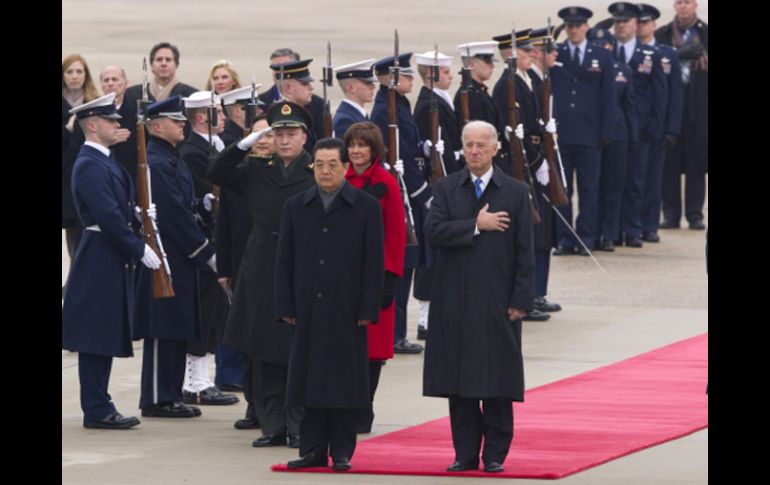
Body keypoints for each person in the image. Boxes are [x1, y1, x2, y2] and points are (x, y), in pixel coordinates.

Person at [423, 120, 534, 473]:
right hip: (454, 300)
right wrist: (475, 225)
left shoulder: (514, 192)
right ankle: (465, 453)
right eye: (468, 145)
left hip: (497, 302)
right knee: (461, 385)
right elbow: (434, 231)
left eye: (481, 145)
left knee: (497, 381)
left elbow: (524, 252)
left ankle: (496, 454)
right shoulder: (446, 188)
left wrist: (520, 299)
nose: (474, 151)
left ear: (495, 148)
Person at [207, 101, 316, 448]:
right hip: (262, 260)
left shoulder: (316, 169)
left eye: (291, 134)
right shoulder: (256, 167)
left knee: (296, 348)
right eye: (278, 133)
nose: (284, 141)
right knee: (264, 349)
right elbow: (217, 171)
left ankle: (299, 423)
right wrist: (246, 141)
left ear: (304, 137)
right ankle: (273, 425)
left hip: (302, 258)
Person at [276, 137, 384, 471]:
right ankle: (312, 449)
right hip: (308, 309)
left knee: (344, 384)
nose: (325, 171)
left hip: (348, 311)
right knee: (310, 383)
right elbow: (285, 261)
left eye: (332, 164)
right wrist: (286, 306)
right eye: (319, 165)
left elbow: (373, 262)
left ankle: (342, 452)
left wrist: (368, 309)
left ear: (345, 167)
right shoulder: (297, 206)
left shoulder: (364, 207)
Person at [62, 93, 153, 430]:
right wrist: (138, 248)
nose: (117, 125)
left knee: (101, 333)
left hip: (108, 252)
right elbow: (108, 216)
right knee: (95, 335)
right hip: (100, 252)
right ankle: (97, 408)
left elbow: (122, 206)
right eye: (111, 121)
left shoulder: (104, 159)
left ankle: (99, 404)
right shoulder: (88, 163)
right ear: (92, 125)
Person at [133, 96, 216, 419]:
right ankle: (156, 397)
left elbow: (184, 204)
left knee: (176, 326)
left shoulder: (171, 158)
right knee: (162, 327)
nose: (182, 124)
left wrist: (202, 204)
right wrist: (204, 252)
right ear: (156, 126)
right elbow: (170, 215)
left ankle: (169, 393)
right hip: (166, 254)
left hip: (179, 257)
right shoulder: (155, 161)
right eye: (175, 120)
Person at [491, 29, 560, 322]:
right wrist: (535, 159)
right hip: (524, 163)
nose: (532, 54)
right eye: (525, 51)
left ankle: (536, 292)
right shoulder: (507, 85)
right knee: (529, 231)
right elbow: (512, 132)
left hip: (535, 159)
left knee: (542, 231)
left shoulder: (527, 80)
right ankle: (527, 296)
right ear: (511, 55)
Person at [342, 122, 406, 433]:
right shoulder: (340, 178)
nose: (356, 151)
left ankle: (364, 407)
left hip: (376, 278)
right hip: (343, 278)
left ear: (374, 149)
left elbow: (395, 234)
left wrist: (390, 279)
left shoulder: (386, 183)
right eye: (352, 145)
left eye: (362, 145)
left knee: (371, 350)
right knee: (345, 349)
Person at [178, 91, 239, 406]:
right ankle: (195, 382)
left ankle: (204, 378)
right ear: (203, 116)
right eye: (218, 111)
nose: (225, 115)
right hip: (203, 243)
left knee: (216, 313)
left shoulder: (215, 146)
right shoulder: (193, 153)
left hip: (218, 240)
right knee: (203, 314)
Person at [217, 115, 274, 429]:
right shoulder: (239, 175)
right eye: (257, 136)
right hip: (242, 265)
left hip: (274, 266)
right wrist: (224, 268)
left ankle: (272, 405)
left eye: (268, 135)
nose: (263, 141)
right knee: (248, 341)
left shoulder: (282, 175)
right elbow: (223, 225)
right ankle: (254, 405)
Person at [371, 52, 428, 354]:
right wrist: (418, 191)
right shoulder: (384, 110)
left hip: (413, 188)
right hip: (405, 191)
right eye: (405, 75)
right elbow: (395, 153)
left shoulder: (399, 104)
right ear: (389, 79)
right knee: (402, 264)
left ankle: (398, 333)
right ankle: (394, 334)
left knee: (409, 264)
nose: (411, 79)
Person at [550, 6, 615, 255]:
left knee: (590, 189)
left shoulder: (601, 55)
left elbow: (608, 97)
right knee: (563, 189)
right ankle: (565, 238)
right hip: (562, 134)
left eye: (578, 25)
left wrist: (606, 131)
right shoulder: (557, 53)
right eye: (569, 26)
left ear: (587, 27)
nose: (574, 30)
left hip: (590, 134)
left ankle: (586, 236)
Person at [413, 49, 464, 338]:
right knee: (431, 252)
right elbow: (427, 150)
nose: (451, 75)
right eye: (445, 72)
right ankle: (425, 316)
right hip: (436, 185)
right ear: (432, 74)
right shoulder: (427, 104)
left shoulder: (439, 100)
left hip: (448, 179)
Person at [609, 2, 666, 249]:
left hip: (642, 130)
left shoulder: (649, 55)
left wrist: (658, 125)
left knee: (637, 181)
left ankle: (634, 229)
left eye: (627, 21)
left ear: (636, 24)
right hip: (613, 130)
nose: (622, 25)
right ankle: (613, 229)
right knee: (613, 181)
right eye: (618, 21)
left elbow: (660, 94)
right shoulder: (605, 54)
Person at [655, 0, 707, 230]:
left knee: (696, 163)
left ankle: (695, 214)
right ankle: (671, 213)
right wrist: (678, 54)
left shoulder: (705, 34)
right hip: (671, 106)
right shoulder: (663, 34)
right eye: (679, 3)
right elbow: (656, 61)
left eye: (688, 2)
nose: (683, 7)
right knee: (670, 164)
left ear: (695, 5)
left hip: (699, 107)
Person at [589, 27, 639, 252]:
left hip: (618, 137)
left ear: (611, 46)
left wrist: (633, 139)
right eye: (597, 45)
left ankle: (610, 234)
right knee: (592, 188)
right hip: (591, 134)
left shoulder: (623, 70)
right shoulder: (586, 70)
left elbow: (630, 108)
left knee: (613, 187)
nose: (602, 49)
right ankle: (592, 233)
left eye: (605, 45)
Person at [637, 3, 684, 243]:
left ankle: (649, 224)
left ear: (654, 25)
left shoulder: (668, 54)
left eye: (645, 22)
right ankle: (633, 225)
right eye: (639, 22)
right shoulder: (628, 53)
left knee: (653, 179)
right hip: (634, 127)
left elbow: (675, 95)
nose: (641, 26)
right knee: (632, 179)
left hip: (658, 126)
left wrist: (672, 128)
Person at [62, 54, 100, 264]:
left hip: (89, 170)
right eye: (70, 72)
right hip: (64, 173)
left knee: (89, 224)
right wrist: (69, 129)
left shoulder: (93, 102)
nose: (75, 76)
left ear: (86, 75)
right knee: (72, 226)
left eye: (79, 71)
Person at [454, 41, 509, 171]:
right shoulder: (470, 96)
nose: (492, 67)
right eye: (487, 62)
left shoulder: (480, 92)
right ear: (472, 64)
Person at [267, 58, 324, 153]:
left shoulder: (306, 110)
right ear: (288, 88)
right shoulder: (278, 117)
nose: (311, 87)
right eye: (305, 83)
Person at [100, 65, 139, 181]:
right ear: (101, 85)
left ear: (126, 83)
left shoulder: (137, 111)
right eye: (106, 80)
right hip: (104, 174)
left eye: (115, 79)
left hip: (132, 174)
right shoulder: (94, 114)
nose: (110, 83)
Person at [125, 42, 197, 103]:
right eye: (159, 59)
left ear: (176, 65)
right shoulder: (131, 95)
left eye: (168, 60)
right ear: (151, 65)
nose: (163, 63)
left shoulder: (192, 96)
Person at [332, 59, 377, 139]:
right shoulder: (345, 120)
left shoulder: (357, 114)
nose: (373, 87)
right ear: (351, 88)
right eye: (367, 83)